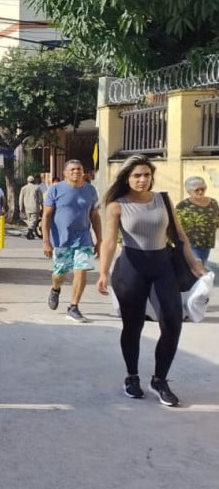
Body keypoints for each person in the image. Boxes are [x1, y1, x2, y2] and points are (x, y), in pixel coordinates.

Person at [96, 155, 205, 406]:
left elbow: (180, 235)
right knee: (133, 327)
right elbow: (110, 241)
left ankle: (159, 380)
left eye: (146, 175)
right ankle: (131, 376)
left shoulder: (163, 200)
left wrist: (194, 263)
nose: (142, 179)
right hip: (131, 269)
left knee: (172, 323)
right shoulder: (117, 205)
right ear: (127, 178)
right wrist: (103, 273)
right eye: (136, 175)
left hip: (163, 267)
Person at [41, 160, 102, 323]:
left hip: (84, 239)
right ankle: (55, 289)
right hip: (61, 240)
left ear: (83, 172)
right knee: (59, 274)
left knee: (81, 271)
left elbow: (95, 216)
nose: (76, 172)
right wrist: (46, 241)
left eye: (79, 169)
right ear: (65, 173)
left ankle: (73, 307)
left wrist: (99, 241)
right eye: (72, 169)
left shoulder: (90, 190)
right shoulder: (55, 190)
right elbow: (46, 217)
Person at [175, 176, 219, 268]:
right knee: (197, 268)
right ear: (189, 191)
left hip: (207, 243)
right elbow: (176, 224)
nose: (200, 192)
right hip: (191, 244)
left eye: (202, 189)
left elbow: (217, 219)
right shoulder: (183, 205)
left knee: (201, 267)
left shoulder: (213, 203)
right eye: (196, 190)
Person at [19, 175, 44, 240]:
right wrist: (42, 205)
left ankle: (31, 233)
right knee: (34, 221)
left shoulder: (23, 188)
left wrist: (21, 208)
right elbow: (41, 199)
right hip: (35, 207)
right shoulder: (37, 188)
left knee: (30, 221)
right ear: (34, 181)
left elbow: (21, 199)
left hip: (27, 207)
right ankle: (30, 232)